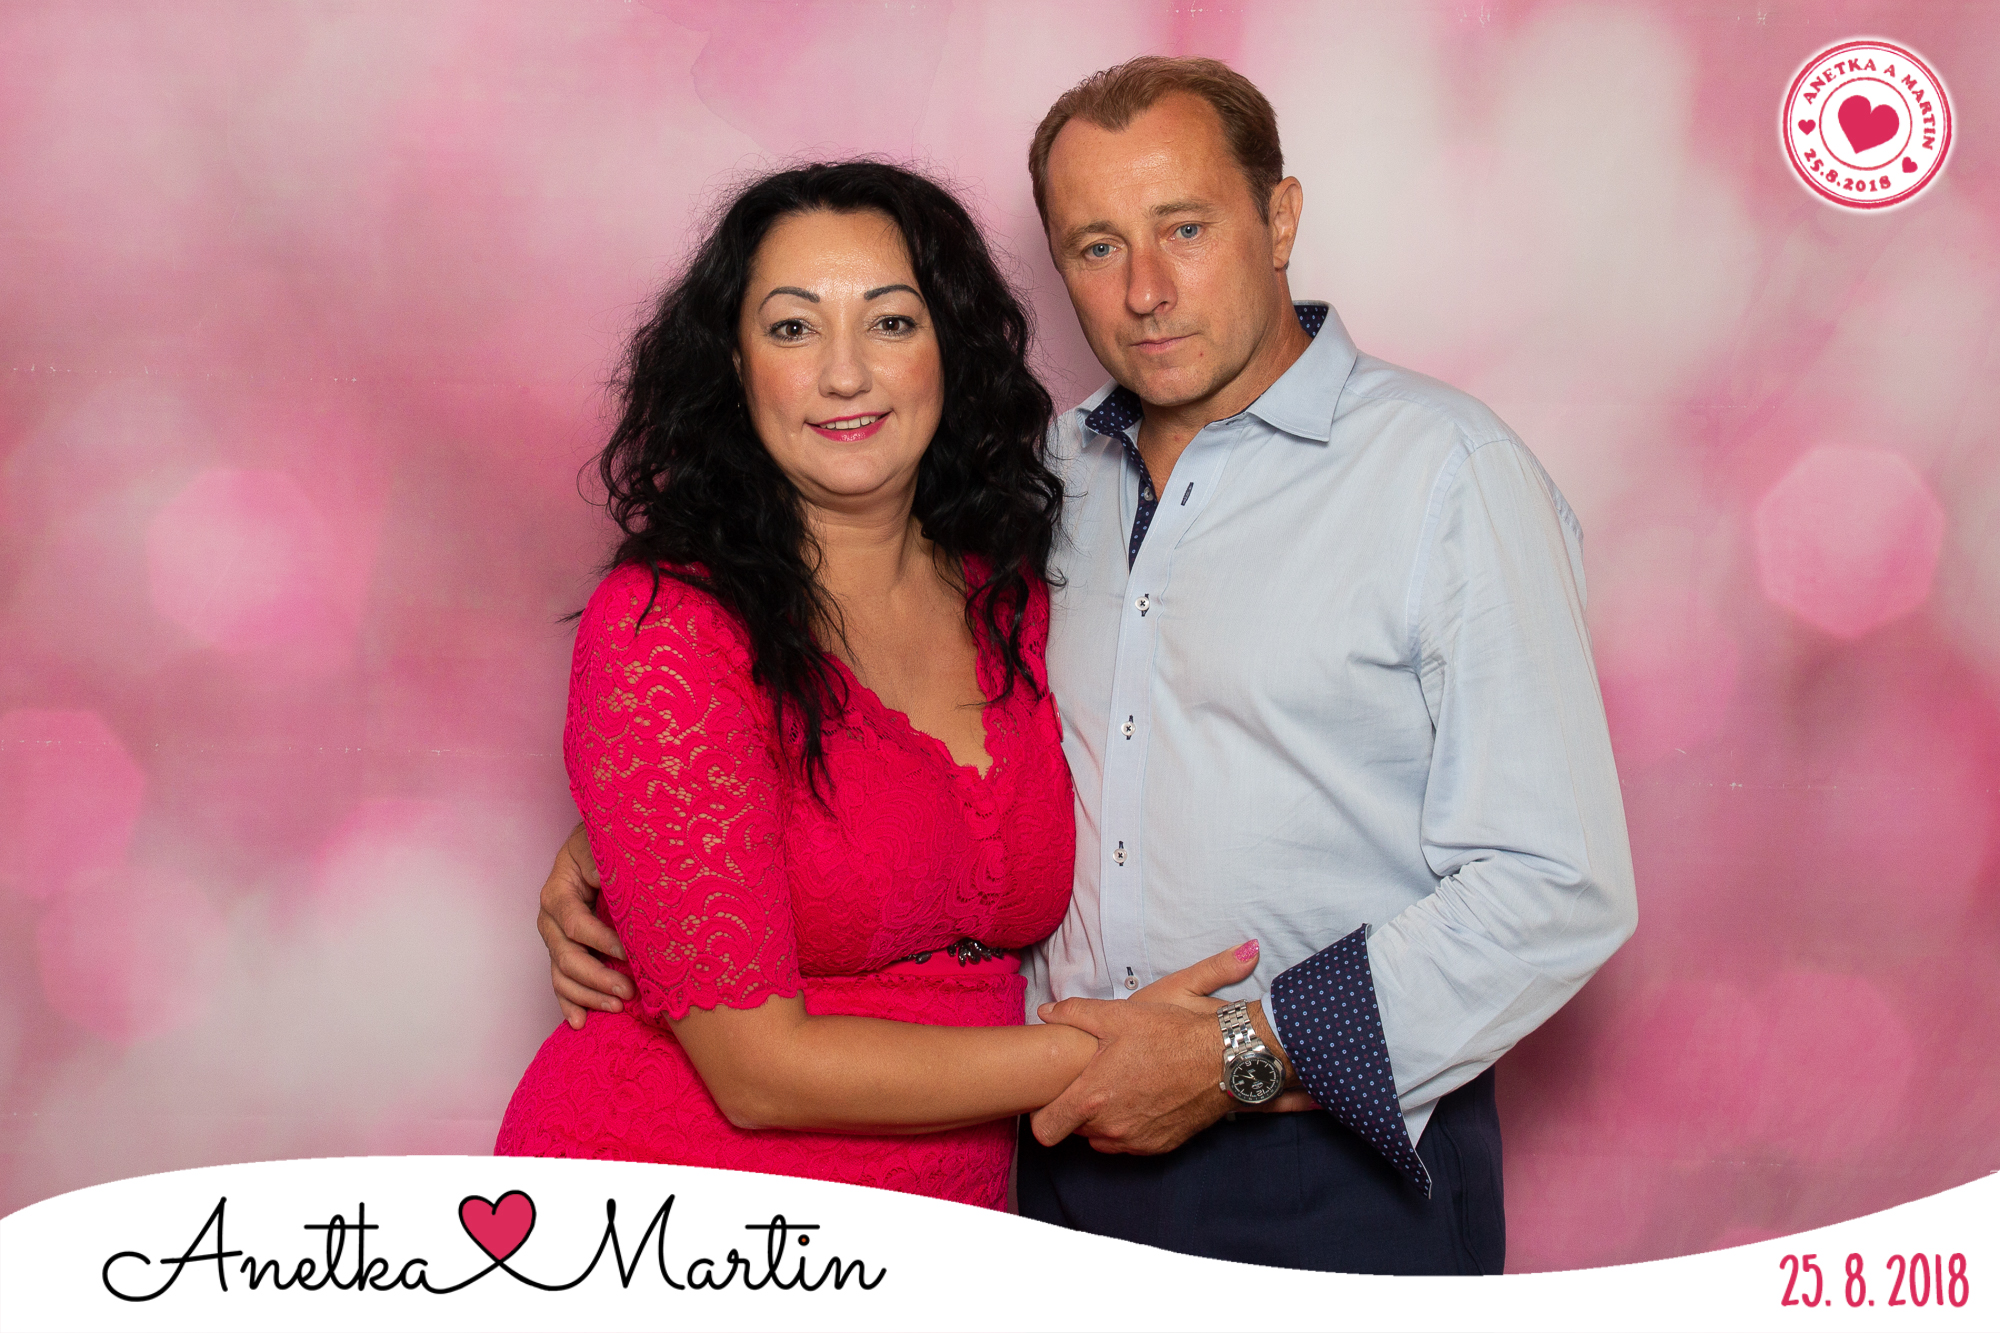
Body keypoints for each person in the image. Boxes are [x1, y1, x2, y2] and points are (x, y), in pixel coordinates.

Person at [540, 58, 1637, 1273]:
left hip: (1321, 1152)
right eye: (1096, 246)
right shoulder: (1034, 491)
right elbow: (852, 720)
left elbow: (1552, 884)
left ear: (1278, 219)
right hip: (1051, 1161)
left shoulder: (1442, 475)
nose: (1145, 290)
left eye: (1184, 228)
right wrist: (637, 831)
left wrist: (1234, 1055)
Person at [494, 160, 1269, 1211]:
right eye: (793, 328)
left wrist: (622, 844)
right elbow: (759, 1073)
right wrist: (1154, 1057)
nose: (845, 374)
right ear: (733, 366)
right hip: (672, 1208)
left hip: (942, 1222)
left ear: (949, 349)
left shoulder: (1018, 594)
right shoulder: (666, 627)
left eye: (891, 323)